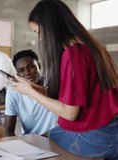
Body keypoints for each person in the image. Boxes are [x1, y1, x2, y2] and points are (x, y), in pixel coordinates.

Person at [11, 0, 118, 159]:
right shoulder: (93, 47)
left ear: (51, 27)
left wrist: (30, 92)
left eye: (39, 32)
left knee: (38, 140)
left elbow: (70, 113)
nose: (40, 39)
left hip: (95, 137)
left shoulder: (73, 55)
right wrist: (37, 90)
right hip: (112, 130)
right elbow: (78, 95)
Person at [5, 49, 57, 136]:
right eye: (21, 70)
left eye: (31, 66)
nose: (27, 72)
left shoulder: (53, 84)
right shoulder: (13, 92)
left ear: (39, 66)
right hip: (29, 142)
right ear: (17, 75)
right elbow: (8, 132)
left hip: (55, 139)